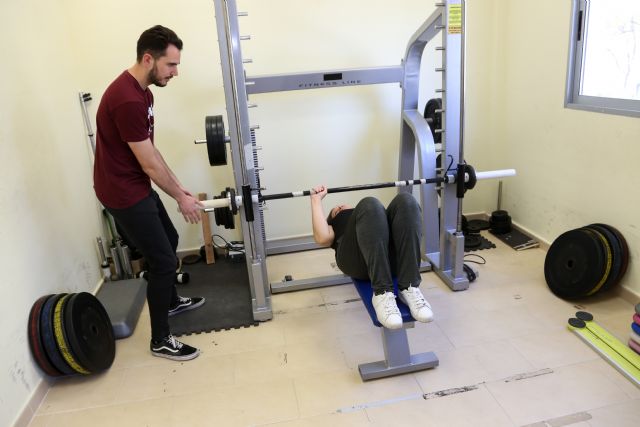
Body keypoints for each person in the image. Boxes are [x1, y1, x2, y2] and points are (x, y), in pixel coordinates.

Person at [94, 25, 205, 361]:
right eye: (171, 65)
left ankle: (169, 302)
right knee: (162, 260)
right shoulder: (126, 99)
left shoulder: (145, 92)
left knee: (168, 238)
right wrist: (180, 198)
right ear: (148, 58)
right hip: (122, 191)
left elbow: (152, 155)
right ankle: (161, 339)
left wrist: (178, 186)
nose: (176, 72)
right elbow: (149, 166)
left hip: (134, 182)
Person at [310, 187, 434, 329]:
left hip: (390, 259)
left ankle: (409, 287)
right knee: (369, 204)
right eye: (336, 211)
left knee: (406, 200)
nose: (339, 206)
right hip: (356, 261)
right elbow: (322, 238)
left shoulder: (375, 215)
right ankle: (382, 292)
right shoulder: (341, 224)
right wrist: (316, 199)